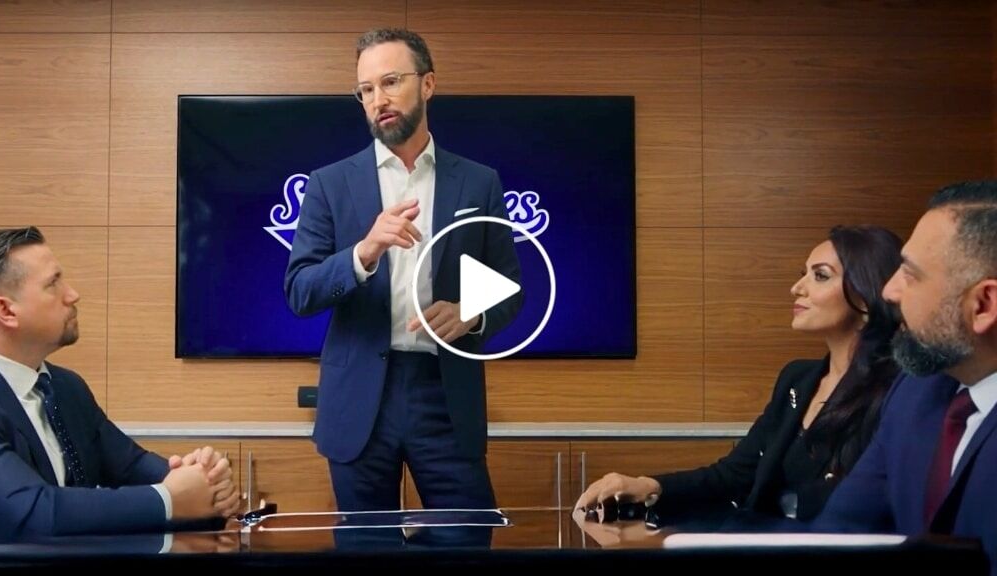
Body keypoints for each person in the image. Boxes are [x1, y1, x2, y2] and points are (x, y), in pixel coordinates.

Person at [285, 28, 522, 511]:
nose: (379, 100)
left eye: (391, 82)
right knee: (365, 544)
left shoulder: (479, 182)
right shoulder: (329, 184)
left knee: (467, 538)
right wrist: (363, 252)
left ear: (428, 84)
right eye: (366, 90)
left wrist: (471, 313)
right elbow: (299, 291)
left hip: (445, 394)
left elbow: (510, 286)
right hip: (359, 399)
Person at [575, 226, 903, 528]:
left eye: (819, 276)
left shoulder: (896, 392)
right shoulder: (797, 379)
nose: (797, 288)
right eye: (802, 274)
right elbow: (734, 475)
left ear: (865, 298)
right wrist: (649, 485)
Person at [0, 227, 240, 540]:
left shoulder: (65, 387)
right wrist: (170, 500)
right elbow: (33, 511)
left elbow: (131, 465)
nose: (72, 295)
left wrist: (202, 480)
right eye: (53, 283)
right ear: (6, 311)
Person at [816, 181, 997, 563]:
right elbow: (838, 536)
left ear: (983, 305)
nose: (889, 291)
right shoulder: (914, 392)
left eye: (911, 274)